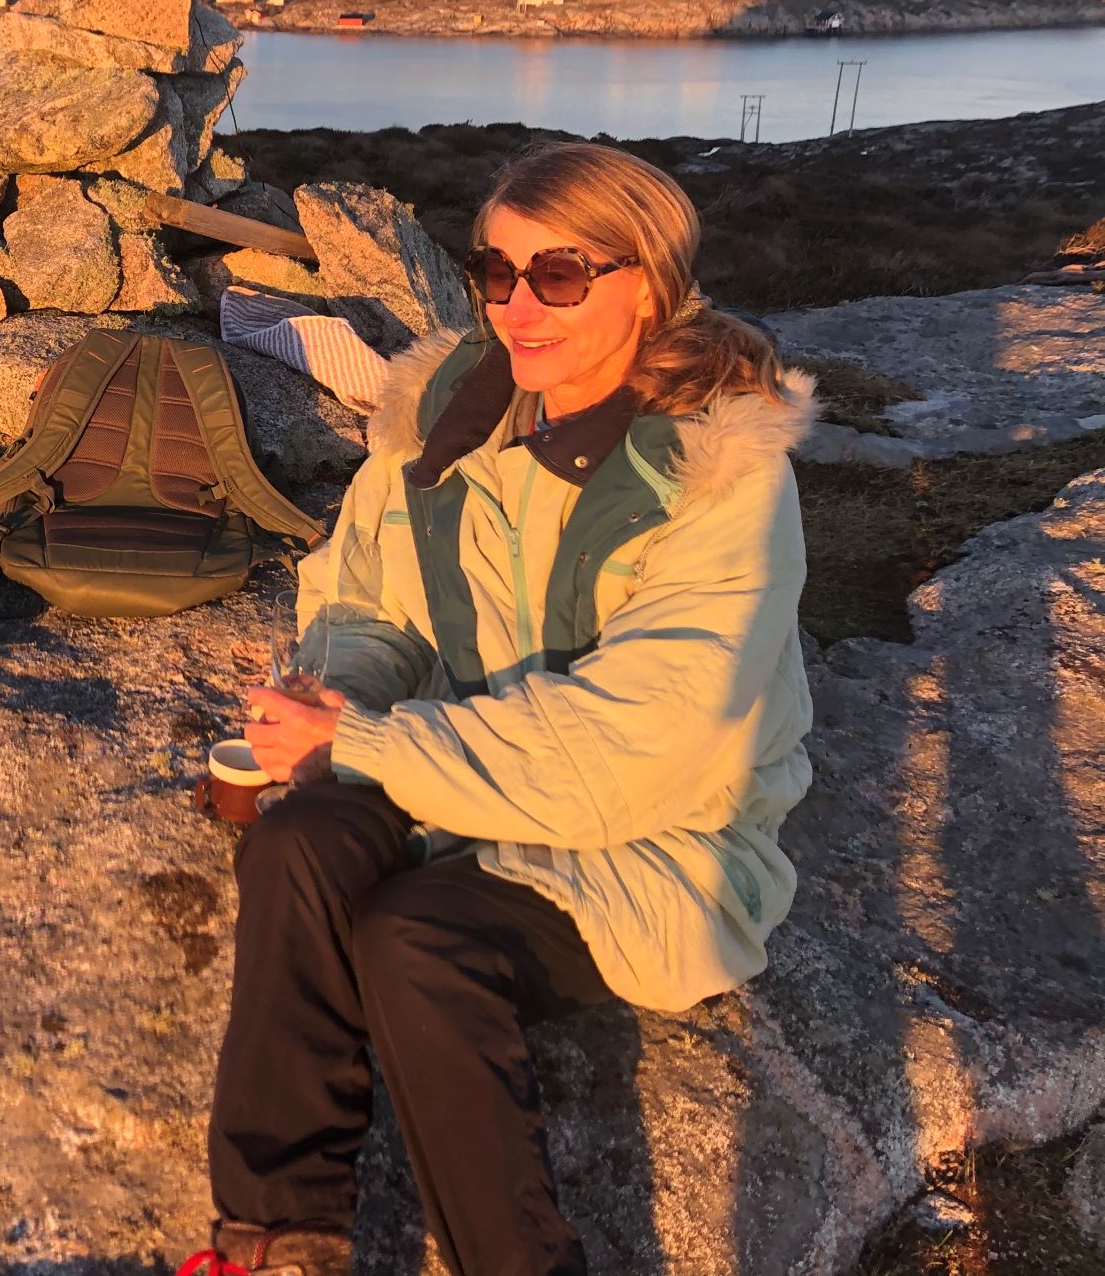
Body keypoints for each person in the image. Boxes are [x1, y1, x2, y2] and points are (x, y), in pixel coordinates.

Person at [186, 143, 816, 1276]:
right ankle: (275, 1235)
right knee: (295, 846)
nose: (516, 305)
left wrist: (370, 740)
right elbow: (365, 601)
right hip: (456, 773)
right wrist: (333, 695)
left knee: (412, 937)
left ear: (649, 283)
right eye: (494, 271)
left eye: (559, 275)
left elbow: (644, 740)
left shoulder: (719, 468)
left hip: (655, 831)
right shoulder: (442, 414)